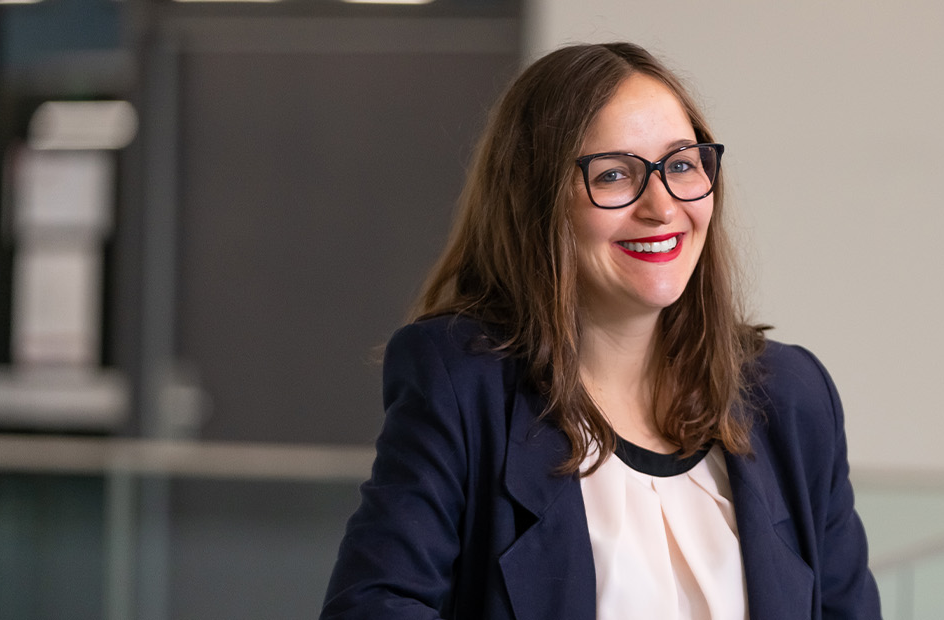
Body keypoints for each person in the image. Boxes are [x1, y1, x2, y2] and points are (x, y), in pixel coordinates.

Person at [321, 42, 880, 620]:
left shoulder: (790, 396)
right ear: (534, 200)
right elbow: (373, 608)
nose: (662, 207)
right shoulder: (463, 382)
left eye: (683, 164)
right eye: (614, 175)